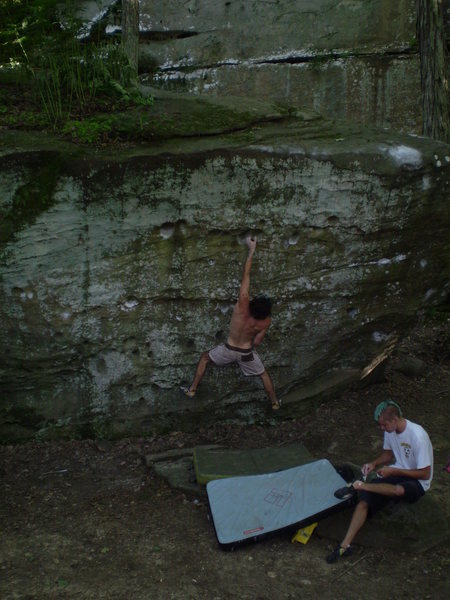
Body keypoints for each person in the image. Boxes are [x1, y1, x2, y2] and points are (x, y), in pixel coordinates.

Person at [180, 235, 280, 409]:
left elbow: (246, 275)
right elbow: (257, 341)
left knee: (204, 358)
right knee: (263, 374)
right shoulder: (265, 322)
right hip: (246, 353)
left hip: (228, 349)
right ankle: (275, 403)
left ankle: (192, 389)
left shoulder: (242, 304)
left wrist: (251, 250)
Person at [326, 399, 433, 563]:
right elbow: (388, 454)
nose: (382, 429)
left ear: (395, 419)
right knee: (364, 503)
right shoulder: (391, 431)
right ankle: (345, 546)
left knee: (398, 490)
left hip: (418, 481)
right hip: (397, 471)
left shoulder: (417, 436)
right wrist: (374, 463)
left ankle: (362, 486)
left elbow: (425, 473)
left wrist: (393, 470)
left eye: (384, 425)